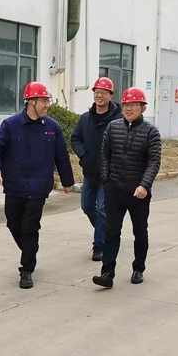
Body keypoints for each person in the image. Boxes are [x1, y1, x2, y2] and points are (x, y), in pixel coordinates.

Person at [0, 81, 75, 289]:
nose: (47, 105)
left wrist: (67, 181)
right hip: (15, 185)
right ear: (31, 102)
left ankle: (26, 269)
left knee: (30, 226)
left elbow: (61, 156)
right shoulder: (11, 125)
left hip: (39, 187)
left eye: (48, 101)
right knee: (13, 224)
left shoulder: (52, 127)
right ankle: (30, 250)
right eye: (44, 101)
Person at [92, 87, 161, 288]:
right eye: (126, 105)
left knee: (140, 231)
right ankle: (107, 273)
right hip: (114, 189)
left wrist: (144, 185)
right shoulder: (113, 127)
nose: (129, 109)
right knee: (112, 231)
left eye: (133, 105)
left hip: (138, 192)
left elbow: (154, 162)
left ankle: (138, 268)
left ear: (143, 107)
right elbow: (105, 155)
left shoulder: (151, 132)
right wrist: (106, 180)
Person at [71, 77, 123, 261]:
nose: (99, 95)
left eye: (103, 92)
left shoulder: (119, 120)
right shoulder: (86, 118)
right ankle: (105, 232)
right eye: (97, 92)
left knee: (102, 210)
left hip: (108, 175)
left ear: (111, 95)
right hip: (90, 172)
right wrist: (83, 156)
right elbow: (75, 139)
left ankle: (98, 245)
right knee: (86, 206)